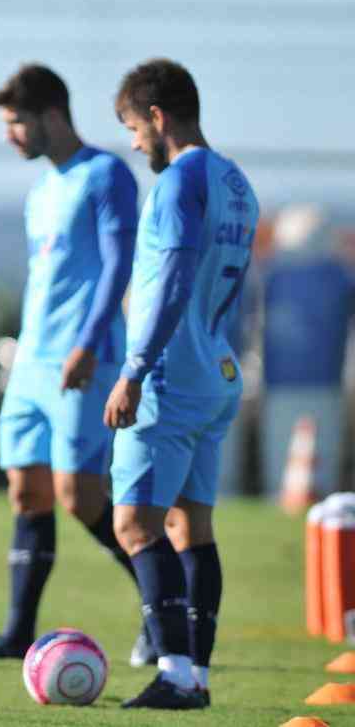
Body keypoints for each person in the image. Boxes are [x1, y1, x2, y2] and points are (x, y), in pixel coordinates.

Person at [0, 64, 149, 663]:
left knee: (79, 495)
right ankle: (15, 634)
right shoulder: (41, 190)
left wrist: (85, 343)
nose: (10, 135)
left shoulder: (105, 174)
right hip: (32, 363)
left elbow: (117, 265)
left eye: (15, 122)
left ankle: (165, 609)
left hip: (84, 357)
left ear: (51, 116)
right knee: (26, 492)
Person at [107, 58, 260, 709]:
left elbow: (171, 279)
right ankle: (195, 672)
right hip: (216, 369)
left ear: (159, 117)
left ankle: (173, 671)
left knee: (134, 525)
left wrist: (134, 368)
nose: (134, 142)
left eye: (134, 127)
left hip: (168, 377)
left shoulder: (176, 183)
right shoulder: (237, 182)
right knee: (190, 526)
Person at [259, 206, 354, 500]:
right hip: (314, 382)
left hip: (295, 383)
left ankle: (289, 495)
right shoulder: (337, 276)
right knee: (313, 457)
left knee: (287, 462)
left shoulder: (274, 276)